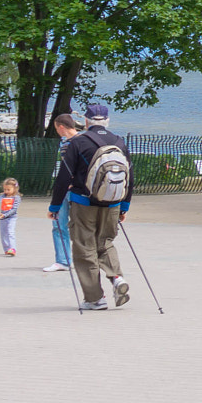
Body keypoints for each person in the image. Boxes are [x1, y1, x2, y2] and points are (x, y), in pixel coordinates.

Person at [50, 103, 132, 310]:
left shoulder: (79, 142)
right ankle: (117, 279)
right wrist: (124, 206)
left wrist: (55, 206)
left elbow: (63, 177)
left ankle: (95, 298)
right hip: (112, 203)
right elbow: (130, 177)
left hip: (83, 203)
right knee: (105, 243)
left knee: (84, 247)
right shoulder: (119, 142)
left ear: (86, 121)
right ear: (107, 121)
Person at [42, 114, 79, 273]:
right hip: (81, 190)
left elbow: (65, 172)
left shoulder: (67, 145)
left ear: (61, 127)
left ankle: (63, 260)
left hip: (68, 190)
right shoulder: (85, 141)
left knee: (59, 225)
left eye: (56, 128)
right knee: (81, 226)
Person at [0, 178, 21, 257]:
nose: (6, 191)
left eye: (8, 189)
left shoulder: (16, 198)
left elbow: (14, 209)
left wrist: (5, 215)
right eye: (5, 189)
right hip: (2, 217)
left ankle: (12, 248)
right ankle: (6, 249)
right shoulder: (3, 195)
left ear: (15, 188)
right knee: (3, 234)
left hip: (12, 217)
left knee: (10, 232)